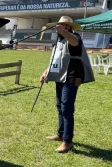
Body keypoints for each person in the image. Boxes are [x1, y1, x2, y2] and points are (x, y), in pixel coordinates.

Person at [39, 16, 95, 153]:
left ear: (68, 27)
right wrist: (46, 71)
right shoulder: (60, 40)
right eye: (59, 25)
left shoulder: (74, 36)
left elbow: (75, 43)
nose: (59, 27)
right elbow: (56, 58)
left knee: (67, 108)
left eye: (63, 25)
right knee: (60, 106)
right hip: (60, 76)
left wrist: (64, 32)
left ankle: (67, 141)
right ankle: (61, 134)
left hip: (72, 77)